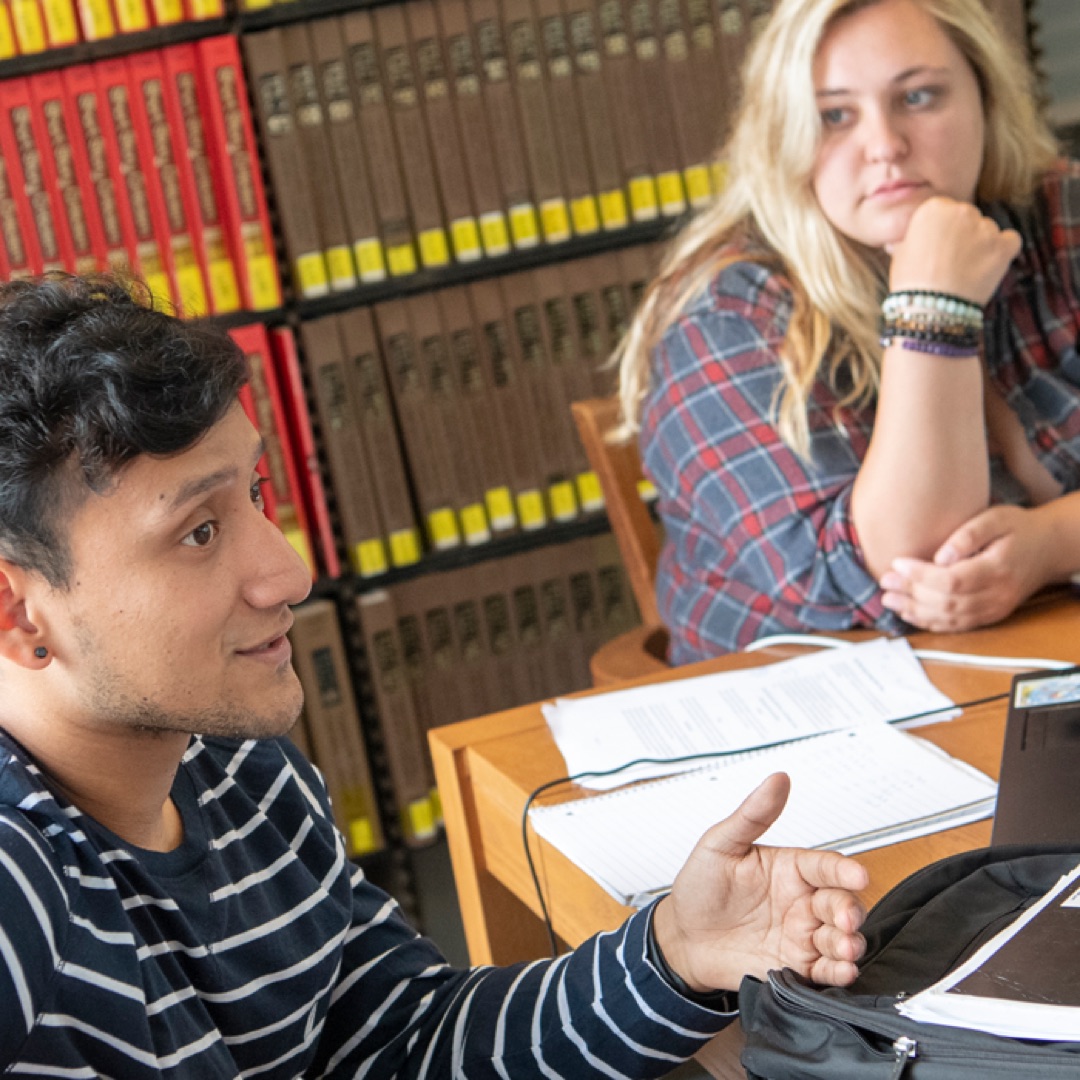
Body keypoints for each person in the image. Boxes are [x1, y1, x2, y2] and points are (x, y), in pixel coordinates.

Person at [0, 274, 868, 1077]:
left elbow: (407, 1042)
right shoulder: (21, 875)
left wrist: (676, 951)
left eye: (256, 496)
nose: (291, 574)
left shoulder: (243, 775)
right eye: (198, 532)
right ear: (18, 611)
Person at [616, 0, 1080, 665]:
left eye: (918, 97)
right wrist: (933, 305)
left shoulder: (1061, 215)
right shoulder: (723, 316)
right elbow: (907, 571)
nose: (886, 144)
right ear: (784, 135)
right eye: (835, 115)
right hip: (812, 726)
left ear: (985, 95)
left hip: (1039, 680)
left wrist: (1049, 545)